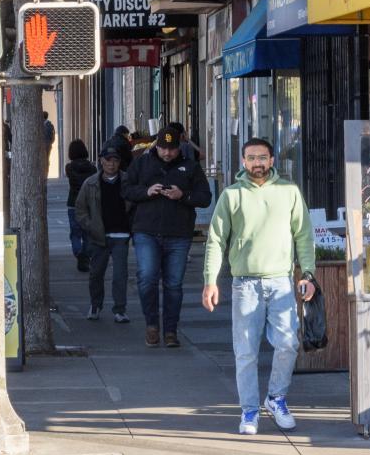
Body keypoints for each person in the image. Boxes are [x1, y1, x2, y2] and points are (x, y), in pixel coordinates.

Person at [202, 138, 315, 436]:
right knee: (246, 352)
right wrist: (210, 281)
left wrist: (309, 273)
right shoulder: (231, 196)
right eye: (251, 158)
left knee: (289, 343)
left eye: (262, 157)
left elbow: (303, 235)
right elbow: (215, 240)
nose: (257, 163)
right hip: (245, 284)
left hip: (280, 281)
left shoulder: (289, 192)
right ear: (243, 161)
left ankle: (276, 397)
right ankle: (249, 409)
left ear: (272, 159)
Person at [122, 125, 212, 348]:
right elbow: (126, 189)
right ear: (157, 145)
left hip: (178, 233)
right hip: (146, 231)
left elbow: (205, 197)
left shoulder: (190, 166)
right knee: (147, 278)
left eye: (171, 149)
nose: (167, 153)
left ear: (179, 146)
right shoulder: (142, 162)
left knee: (173, 284)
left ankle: (170, 330)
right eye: (163, 148)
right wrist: (146, 192)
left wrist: (184, 195)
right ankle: (152, 324)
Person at [75, 146, 132, 323]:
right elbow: (80, 209)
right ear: (101, 161)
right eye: (108, 160)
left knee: (120, 275)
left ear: (119, 162)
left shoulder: (128, 180)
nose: (111, 164)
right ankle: (95, 305)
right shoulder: (90, 183)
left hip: (121, 235)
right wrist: (91, 226)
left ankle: (120, 309)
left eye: (115, 160)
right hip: (99, 236)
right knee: (96, 273)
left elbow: (136, 203)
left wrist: (132, 226)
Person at [65, 139, 97, 272]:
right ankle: (85, 255)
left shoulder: (69, 168)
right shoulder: (92, 168)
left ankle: (79, 253)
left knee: (75, 232)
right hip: (88, 204)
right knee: (88, 233)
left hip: (73, 203)